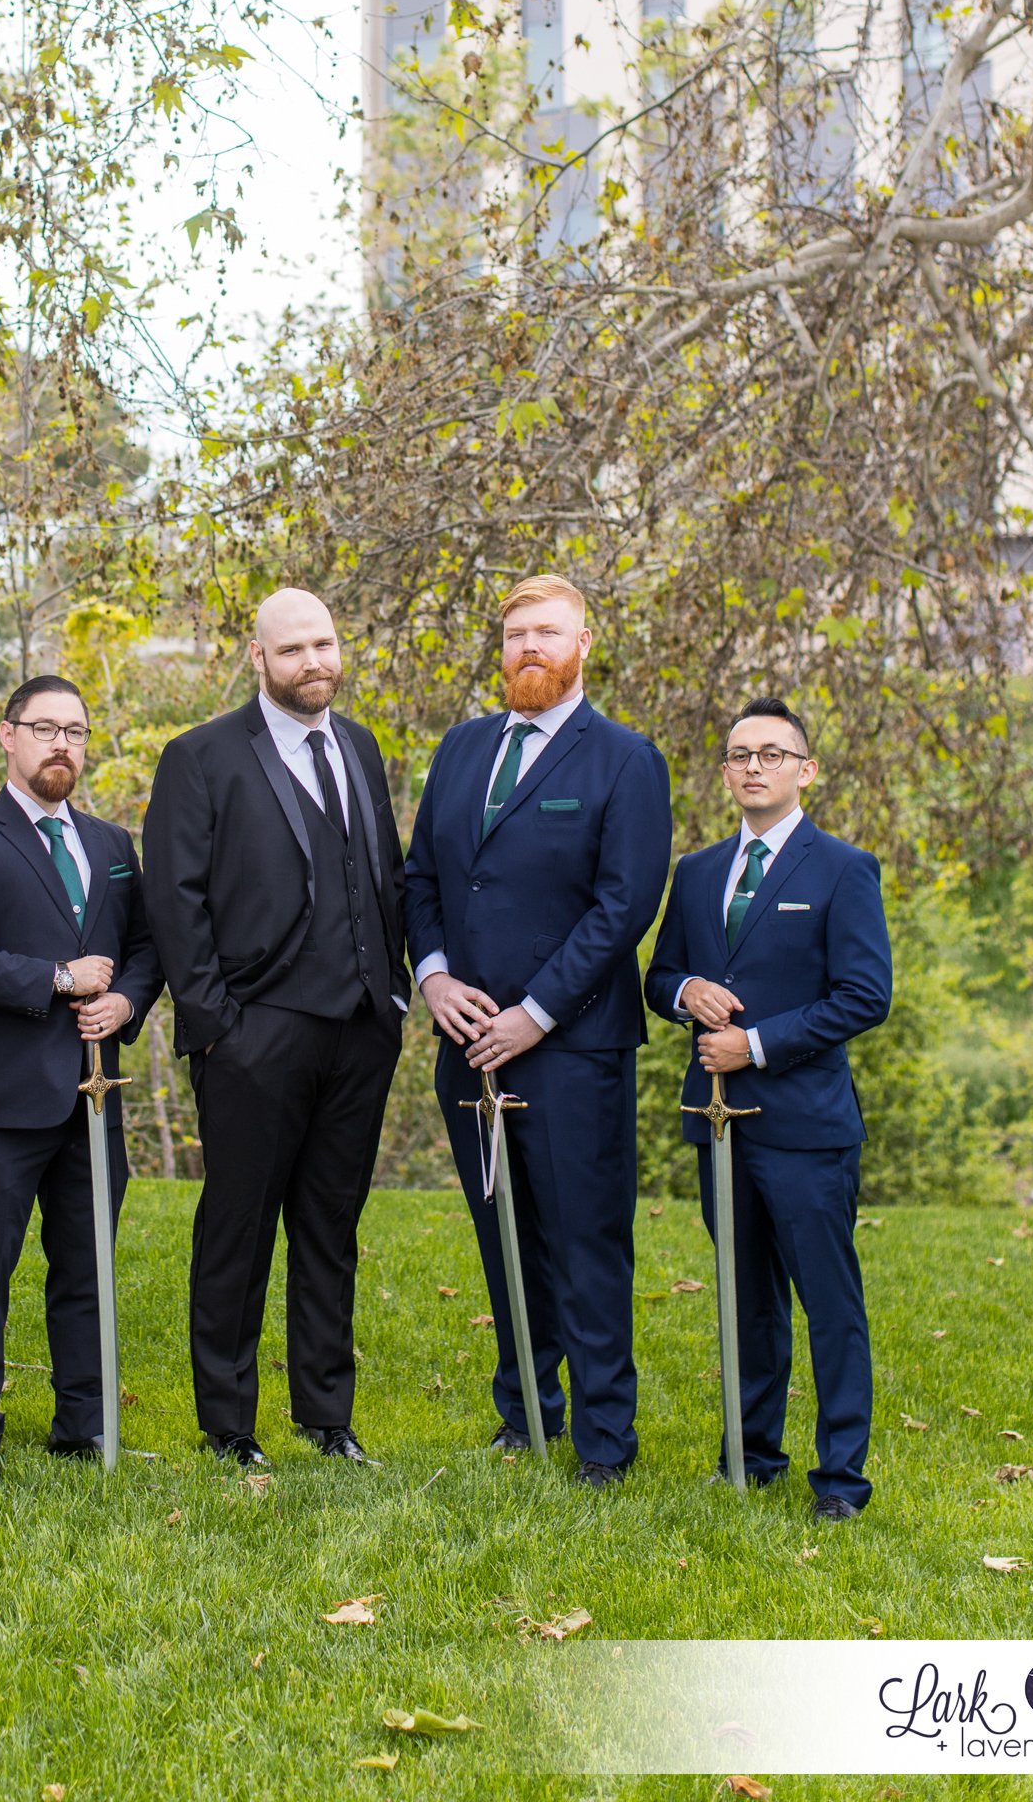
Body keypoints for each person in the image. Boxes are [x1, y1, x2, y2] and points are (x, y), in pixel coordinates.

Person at [404, 575, 671, 1482]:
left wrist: (534, 1014)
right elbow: (422, 882)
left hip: (572, 1049)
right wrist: (434, 979)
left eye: (547, 632)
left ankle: (603, 1442)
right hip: (464, 1043)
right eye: (516, 632)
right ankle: (525, 1417)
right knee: (501, 1234)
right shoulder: (462, 747)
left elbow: (622, 904)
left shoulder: (624, 759)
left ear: (583, 643)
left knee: (585, 1243)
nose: (528, 647)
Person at [144, 588, 408, 1468]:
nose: (313, 663)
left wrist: (394, 997)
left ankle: (326, 1418)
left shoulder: (361, 747)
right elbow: (174, 901)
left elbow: (384, 877)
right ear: (257, 659)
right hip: (253, 1034)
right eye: (292, 650)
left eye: (325, 644)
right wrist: (217, 1024)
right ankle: (229, 1427)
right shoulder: (201, 756)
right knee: (238, 1227)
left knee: (331, 1228)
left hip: (361, 1030)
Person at [645, 697, 892, 1520]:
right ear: (724, 772)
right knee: (746, 1301)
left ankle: (841, 1480)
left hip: (806, 1127)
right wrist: (685, 991)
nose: (753, 766)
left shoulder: (842, 869)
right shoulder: (697, 871)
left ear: (804, 769)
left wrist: (753, 1046)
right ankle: (750, 1456)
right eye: (739, 755)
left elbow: (864, 995)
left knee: (828, 1304)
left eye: (772, 754)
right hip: (718, 1126)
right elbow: (656, 978)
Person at [0, 675, 161, 1478]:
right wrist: (60, 979)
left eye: (76, 732)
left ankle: (82, 1429)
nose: (62, 744)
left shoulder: (112, 846)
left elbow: (145, 950)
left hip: (94, 1096)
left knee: (87, 1266)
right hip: (4, 1098)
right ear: (7, 736)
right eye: (45, 728)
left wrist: (125, 1001)